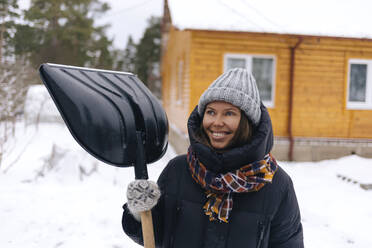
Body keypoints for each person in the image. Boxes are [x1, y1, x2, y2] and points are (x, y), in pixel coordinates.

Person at [122, 68, 304, 248]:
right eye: (211, 112)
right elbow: (152, 237)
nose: (217, 122)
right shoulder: (178, 170)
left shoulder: (276, 185)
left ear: (247, 121)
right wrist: (140, 214)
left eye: (229, 113)